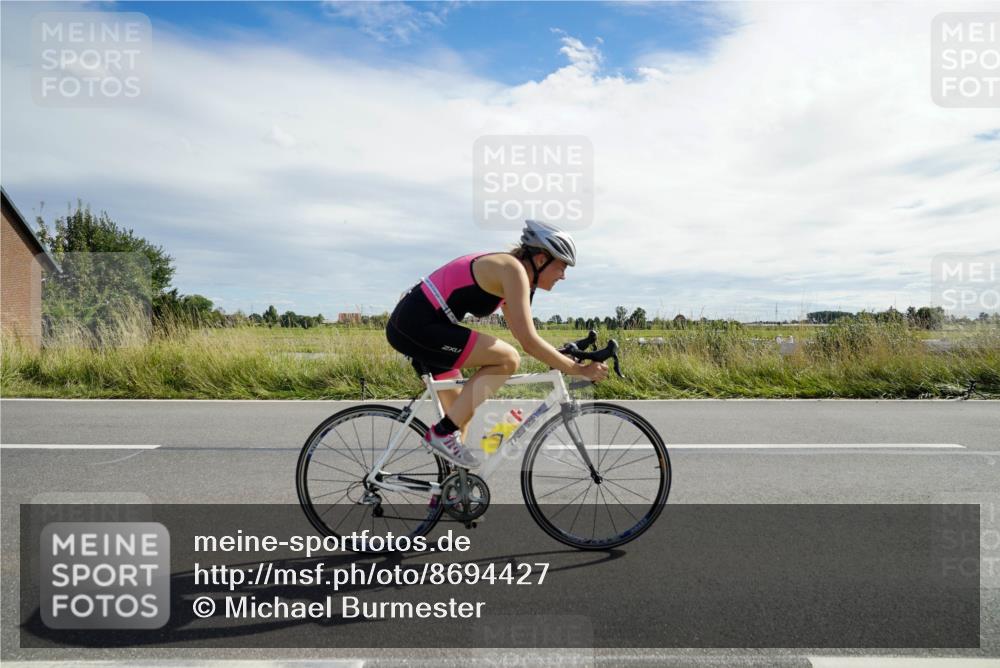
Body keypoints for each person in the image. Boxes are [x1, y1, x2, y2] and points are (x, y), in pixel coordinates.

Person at [385, 220, 609, 468]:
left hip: (424, 326)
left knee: (460, 416)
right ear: (541, 259)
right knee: (507, 359)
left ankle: (449, 495)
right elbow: (528, 343)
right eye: (562, 266)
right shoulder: (512, 271)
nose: (564, 276)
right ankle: (440, 435)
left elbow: (524, 335)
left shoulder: (516, 276)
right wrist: (576, 369)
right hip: (416, 325)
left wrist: (561, 355)